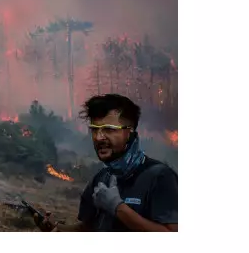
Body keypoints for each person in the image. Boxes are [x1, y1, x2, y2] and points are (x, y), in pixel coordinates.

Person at [33, 94, 178, 232]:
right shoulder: (100, 178)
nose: (99, 137)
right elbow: (87, 229)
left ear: (130, 132)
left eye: (109, 129)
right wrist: (57, 230)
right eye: (94, 130)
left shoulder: (160, 177)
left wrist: (118, 208)